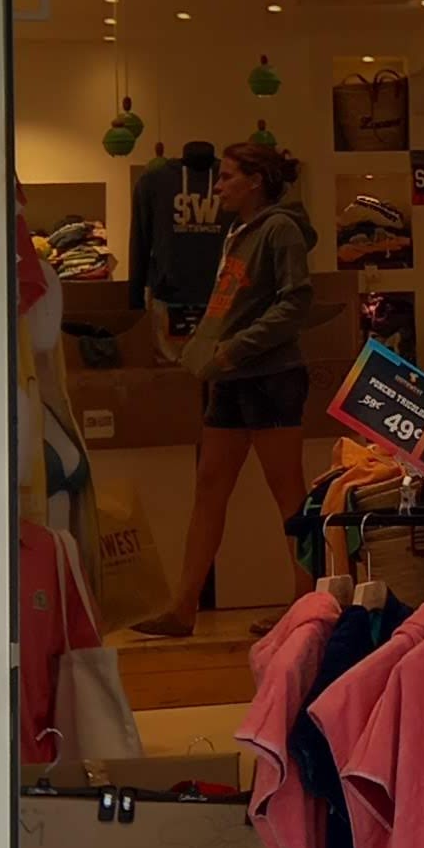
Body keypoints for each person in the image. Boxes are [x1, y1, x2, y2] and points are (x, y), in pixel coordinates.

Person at [129, 136, 319, 636]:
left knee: (288, 494)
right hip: (230, 377)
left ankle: (306, 604)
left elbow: (296, 303)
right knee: (210, 486)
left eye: (228, 177)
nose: (218, 186)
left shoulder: (280, 229)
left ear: (256, 181)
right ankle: (183, 606)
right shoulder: (238, 232)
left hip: (270, 376)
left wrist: (236, 348)